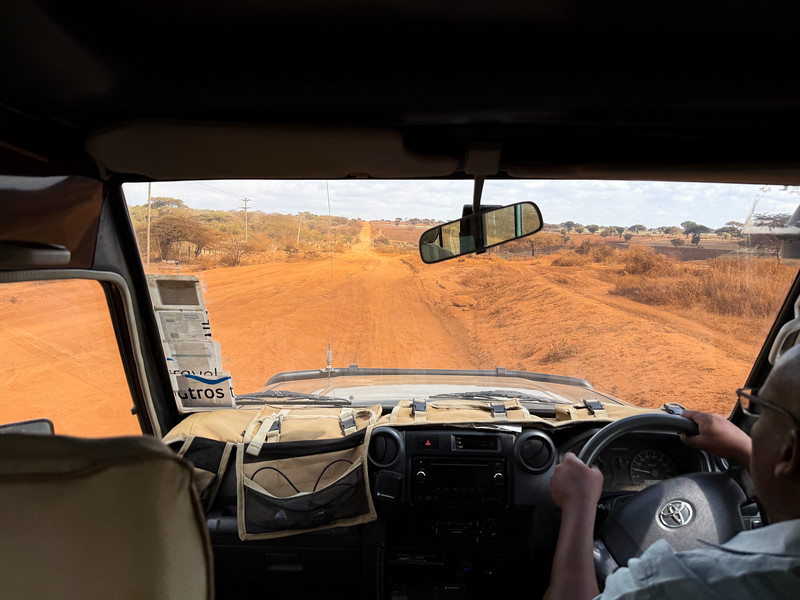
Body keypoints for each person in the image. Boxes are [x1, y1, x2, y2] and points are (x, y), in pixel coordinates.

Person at [545, 343, 800, 599]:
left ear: (789, 453)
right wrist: (743, 447)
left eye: (762, 410)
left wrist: (579, 506)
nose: (753, 428)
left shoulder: (684, 581)